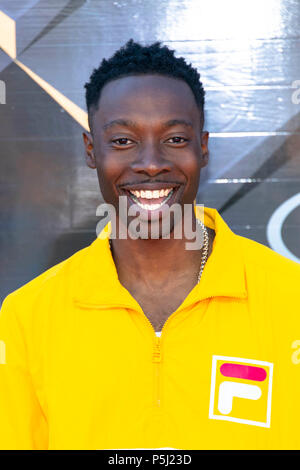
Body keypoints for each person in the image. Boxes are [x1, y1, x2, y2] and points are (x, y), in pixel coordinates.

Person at [0, 39, 299, 450]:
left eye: (175, 139)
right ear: (92, 151)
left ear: (203, 147)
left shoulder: (290, 296)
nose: (152, 162)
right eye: (123, 141)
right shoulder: (28, 314)